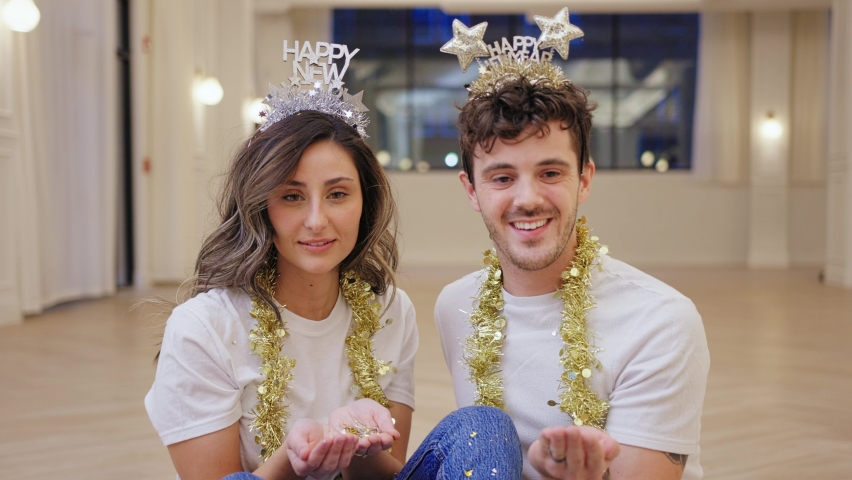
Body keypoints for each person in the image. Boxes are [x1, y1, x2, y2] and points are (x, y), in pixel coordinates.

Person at [145, 44, 523, 480]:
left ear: (365, 201)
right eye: (291, 196)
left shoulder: (387, 310)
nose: (316, 220)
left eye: (338, 194)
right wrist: (294, 455)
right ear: (259, 207)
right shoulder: (205, 327)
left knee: (484, 426)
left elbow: (387, 475)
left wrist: (358, 443)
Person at [436, 11, 710, 480]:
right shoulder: (454, 306)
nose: (528, 199)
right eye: (502, 177)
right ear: (470, 190)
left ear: (584, 179)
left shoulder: (661, 322)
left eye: (550, 173)